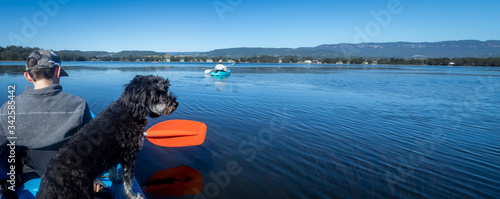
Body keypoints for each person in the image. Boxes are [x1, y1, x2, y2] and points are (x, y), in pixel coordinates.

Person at [0, 49, 93, 184]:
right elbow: (92, 147)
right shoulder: (79, 106)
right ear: (57, 71)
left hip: (29, 177)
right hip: (69, 177)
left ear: (27, 76)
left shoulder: (8, 109)